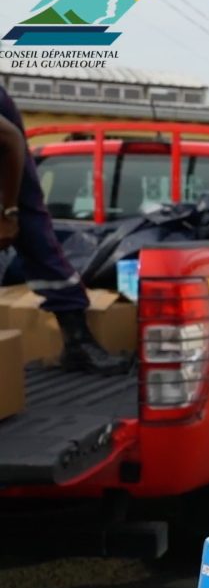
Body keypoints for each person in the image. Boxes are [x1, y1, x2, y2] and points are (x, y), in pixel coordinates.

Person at [0, 86, 128, 375]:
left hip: (8, 156)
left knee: (31, 228)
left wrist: (9, 212)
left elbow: (11, 139)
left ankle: (78, 341)